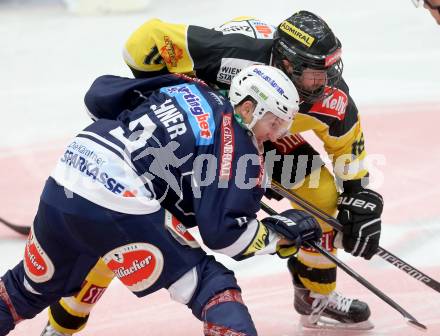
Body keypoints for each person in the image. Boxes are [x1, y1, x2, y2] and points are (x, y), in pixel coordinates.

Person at [43, 11, 385, 334]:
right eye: (315, 74)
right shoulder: (231, 53)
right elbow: (144, 41)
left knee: (323, 194)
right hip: (202, 138)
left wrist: (358, 193)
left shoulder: (332, 95)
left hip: (265, 135)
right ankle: (65, 321)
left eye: (329, 70)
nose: (326, 84)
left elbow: (347, 144)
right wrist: (166, 90)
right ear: (286, 63)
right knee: (129, 221)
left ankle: (315, 296)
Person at [0, 65, 323, 336]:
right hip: (118, 194)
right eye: (275, 122)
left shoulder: (188, 84)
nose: (277, 134)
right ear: (249, 108)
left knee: (22, 290)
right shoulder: (238, 146)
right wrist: (280, 233)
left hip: (73, 168)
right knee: (211, 285)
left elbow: (99, 95)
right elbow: (227, 237)